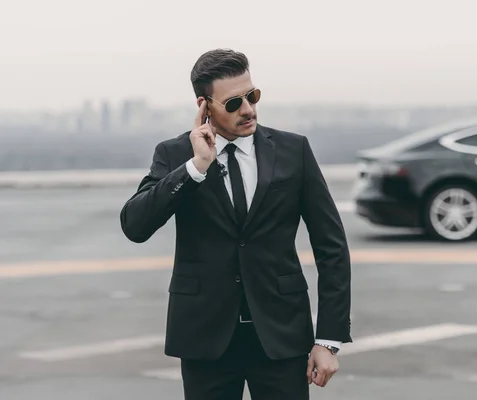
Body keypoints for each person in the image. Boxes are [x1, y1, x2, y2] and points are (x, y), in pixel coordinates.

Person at [119, 48, 352, 400]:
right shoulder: (175, 155)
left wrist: (329, 340)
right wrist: (196, 167)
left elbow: (331, 246)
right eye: (233, 103)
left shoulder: (293, 150)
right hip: (205, 338)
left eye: (251, 96)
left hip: (281, 335)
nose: (248, 109)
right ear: (204, 105)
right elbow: (135, 225)